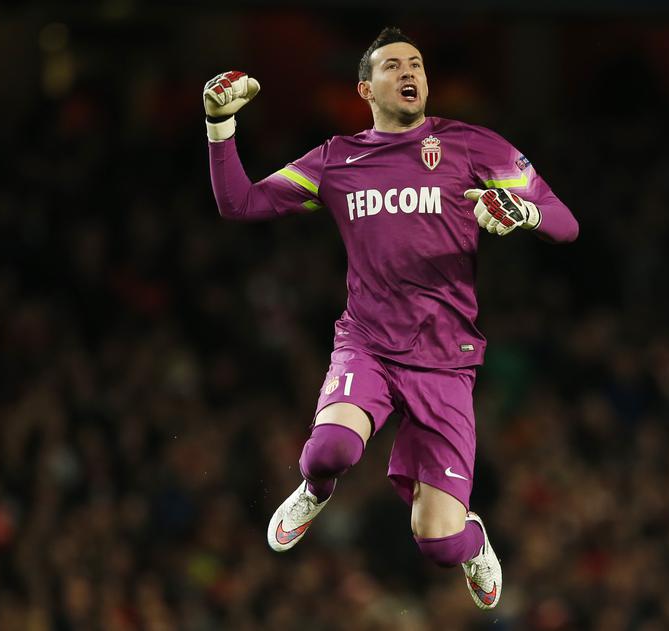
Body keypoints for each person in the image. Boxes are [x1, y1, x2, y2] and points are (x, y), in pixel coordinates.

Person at [202, 26, 578, 610]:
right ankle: (314, 490)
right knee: (330, 451)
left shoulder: (472, 146)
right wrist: (219, 126)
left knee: (438, 543)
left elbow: (565, 222)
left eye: (418, 64)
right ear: (365, 88)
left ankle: (474, 540)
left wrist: (522, 213)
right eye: (394, 65)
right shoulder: (336, 159)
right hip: (369, 345)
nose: (409, 73)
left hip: (446, 362)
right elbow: (239, 202)